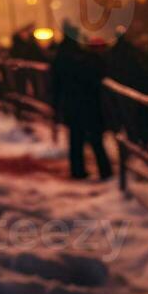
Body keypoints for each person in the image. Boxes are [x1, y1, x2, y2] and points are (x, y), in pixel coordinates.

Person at [50, 21, 112, 180]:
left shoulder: (61, 56)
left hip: (71, 104)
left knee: (76, 140)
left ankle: (77, 171)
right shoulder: (86, 56)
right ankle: (105, 172)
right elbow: (99, 73)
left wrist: (56, 107)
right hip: (90, 103)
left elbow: (55, 83)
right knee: (96, 140)